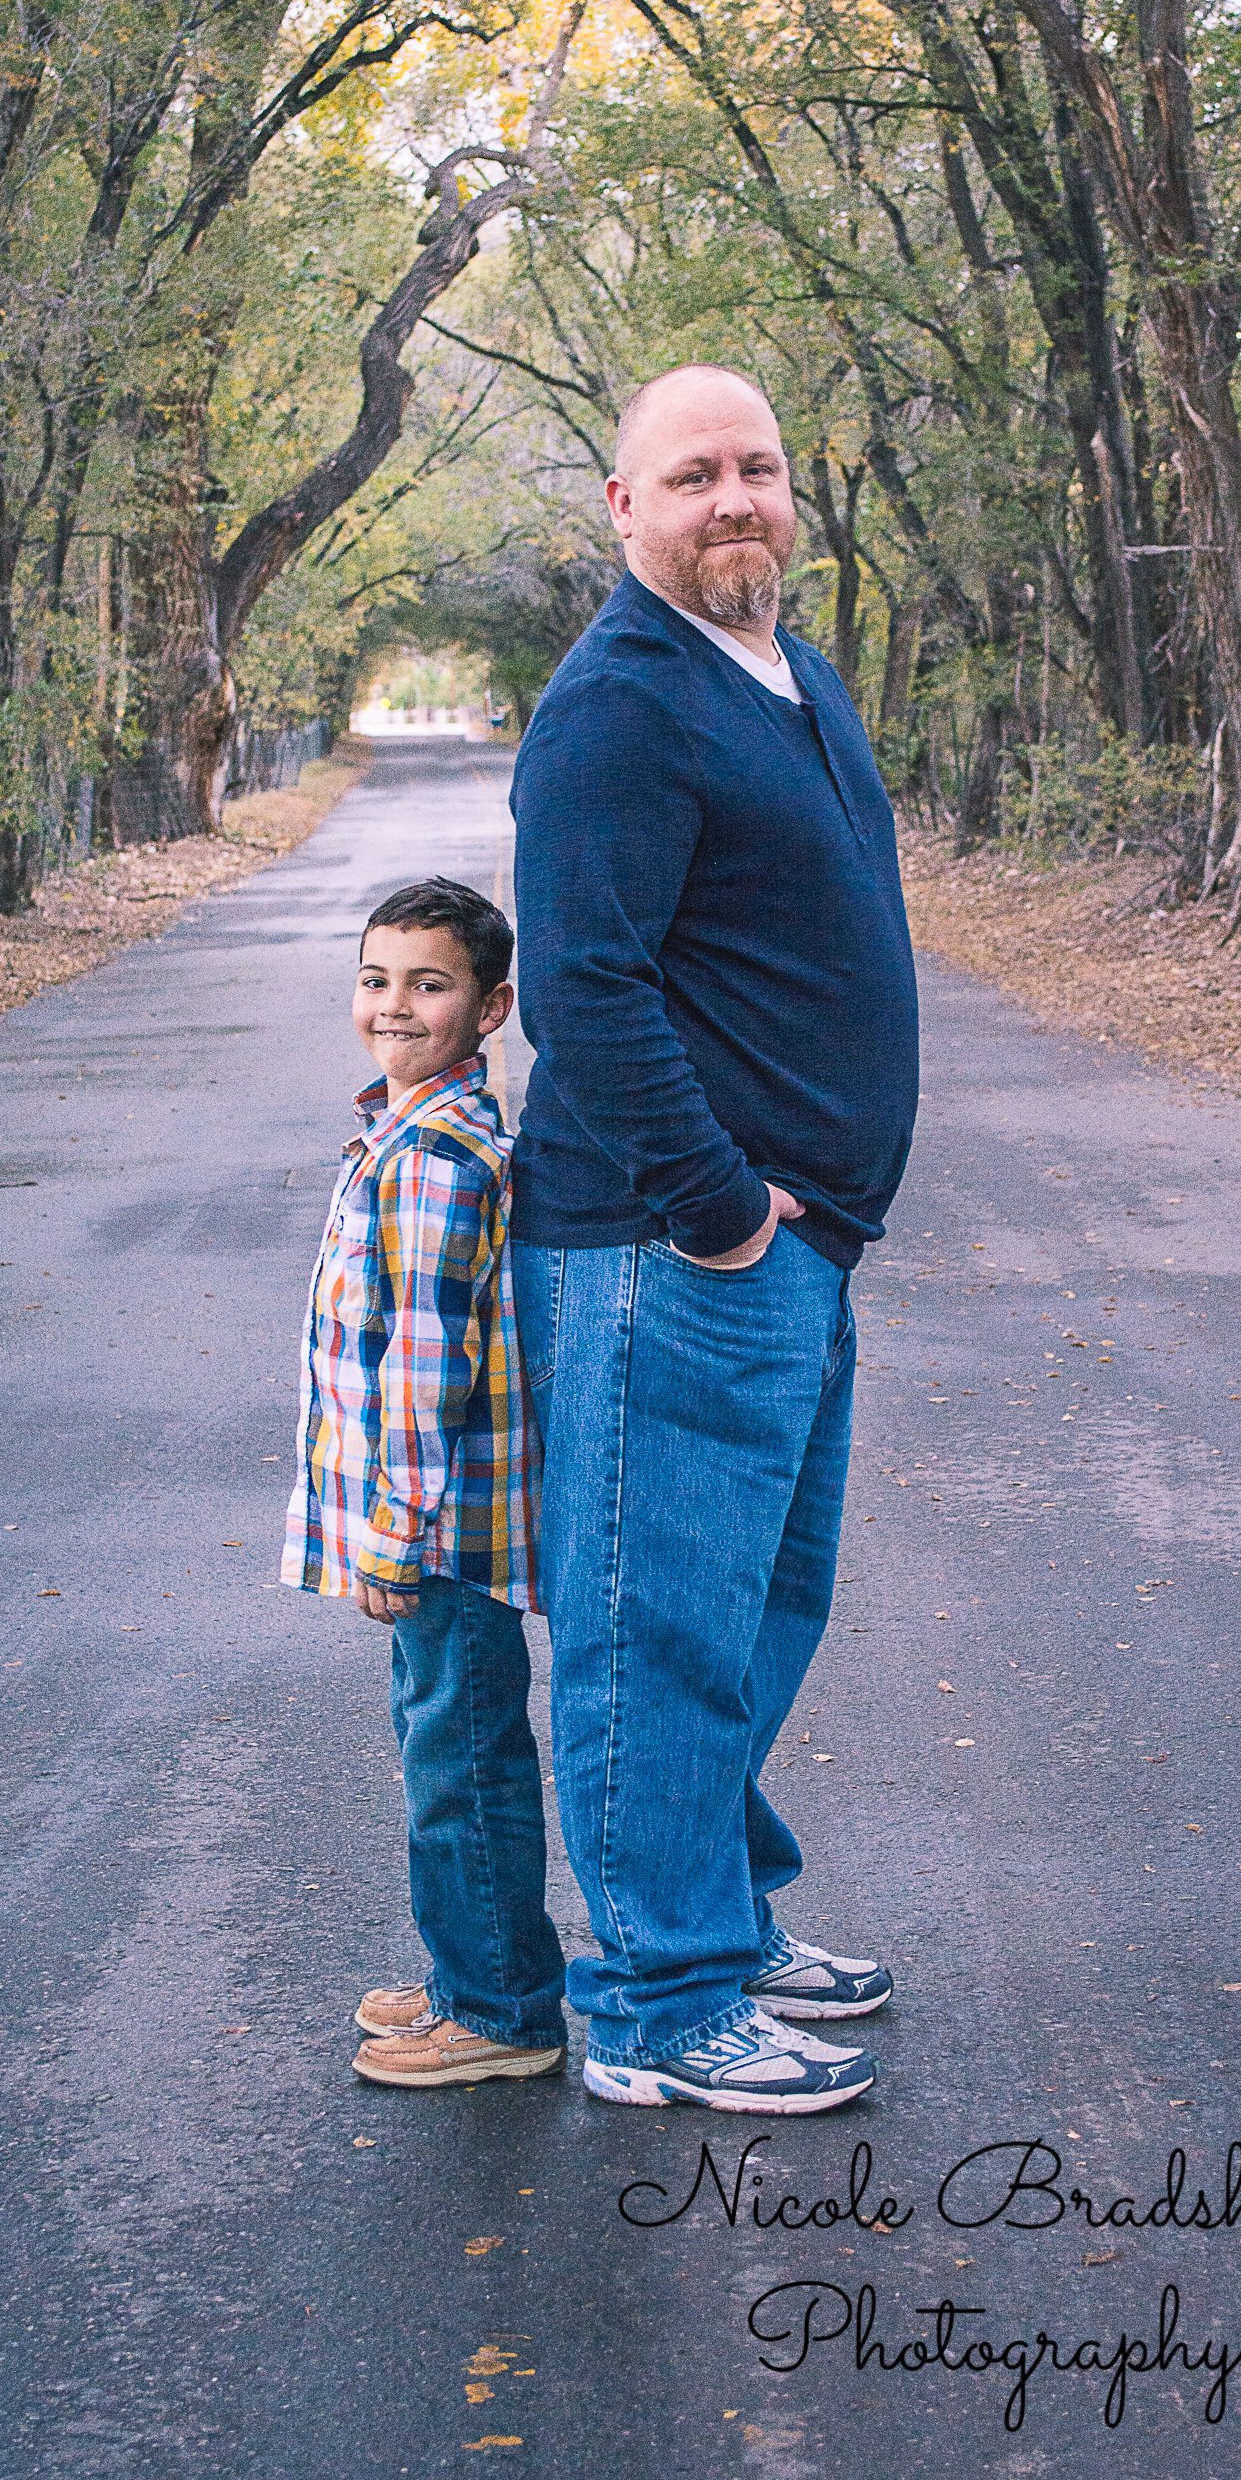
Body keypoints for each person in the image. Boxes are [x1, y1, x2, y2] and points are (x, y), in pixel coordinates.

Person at [508, 363, 921, 2113]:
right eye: (693, 475)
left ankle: (720, 1919)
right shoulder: (620, 704)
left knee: (762, 1609)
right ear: (624, 510)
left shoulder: (787, 673)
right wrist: (726, 1214)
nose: (735, 498)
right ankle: (660, 2006)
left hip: (788, 1248)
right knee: (653, 1625)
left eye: (758, 465)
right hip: (666, 1256)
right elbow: (585, 988)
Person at [281, 876, 567, 2088]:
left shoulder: (437, 1159)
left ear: (492, 1005)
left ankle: (501, 2013)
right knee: (444, 1747)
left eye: (429, 984)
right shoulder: (406, 1133)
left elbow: (422, 1371)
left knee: (459, 1764)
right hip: (434, 1527)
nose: (392, 1006)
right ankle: (471, 1973)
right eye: (375, 979)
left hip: (440, 1535)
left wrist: (392, 1542)